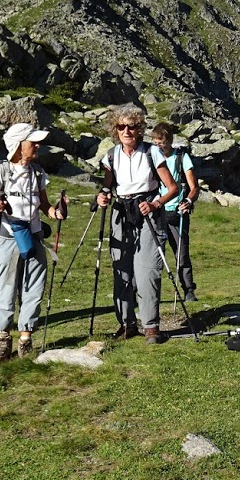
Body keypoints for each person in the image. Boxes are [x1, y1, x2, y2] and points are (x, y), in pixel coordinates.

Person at [0, 122, 67, 363]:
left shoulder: (38, 172)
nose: (37, 145)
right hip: (9, 237)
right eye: (33, 142)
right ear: (19, 146)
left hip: (35, 236)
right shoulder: (1, 171)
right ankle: (3, 338)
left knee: (34, 287)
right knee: (7, 288)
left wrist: (56, 211)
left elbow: (44, 205)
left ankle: (25, 338)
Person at [96, 105, 179, 343]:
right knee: (121, 268)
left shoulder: (152, 152)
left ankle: (151, 326)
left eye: (132, 127)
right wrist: (102, 196)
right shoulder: (111, 156)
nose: (127, 131)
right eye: (121, 127)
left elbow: (174, 188)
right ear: (115, 129)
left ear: (140, 129)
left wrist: (155, 204)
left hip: (148, 214)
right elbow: (107, 186)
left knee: (146, 270)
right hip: (121, 213)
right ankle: (126, 323)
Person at [151, 123, 201, 302]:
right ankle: (145, 293)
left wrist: (188, 200)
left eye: (161, 143)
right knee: (152, 254)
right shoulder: (151, 157)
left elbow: (194, 187)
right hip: (156, 211)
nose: (158, 147)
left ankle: (188, 290)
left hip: (177, 212)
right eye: (155, 143)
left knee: (181, 253)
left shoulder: (182, 158)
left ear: (170, 141)